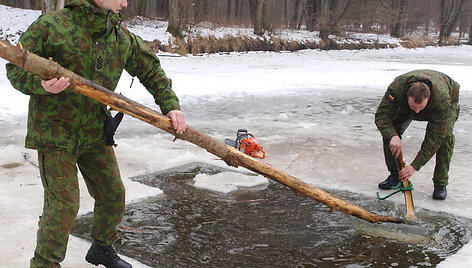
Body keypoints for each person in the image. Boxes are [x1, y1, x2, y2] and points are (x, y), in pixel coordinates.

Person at [6, 0, 186, 267]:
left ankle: (101, 248)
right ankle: (45, 264)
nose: (125, 3)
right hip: (54, 133)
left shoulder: (118, 35)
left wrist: (170, 106)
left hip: (94, 131)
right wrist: (42, 84)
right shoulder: (51, 26)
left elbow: (150, 69)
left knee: (113, 195)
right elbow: (16, 68)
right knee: (63, 206)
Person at [375, 69, 459, 201]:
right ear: (407, 97)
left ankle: (440, 183)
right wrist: (392, 136)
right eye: (414, 108)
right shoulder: (396, 89)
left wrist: (414, 166)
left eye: (421, 108)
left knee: (445, 138)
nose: (418, 112)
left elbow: (435, 137)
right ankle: (395, 175)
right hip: (405, 106)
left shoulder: (441, 101)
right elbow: (381, 116)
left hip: (448, 97)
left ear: (428, 98)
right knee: (389, 131)